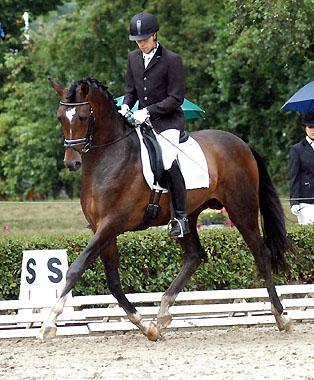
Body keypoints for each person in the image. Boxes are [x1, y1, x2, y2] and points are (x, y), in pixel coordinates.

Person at [119, 12, 190, 238]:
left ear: (155, 35)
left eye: (145, 39)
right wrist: (125, 106)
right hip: (141, 121)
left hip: (168, 122)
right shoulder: (133, 58)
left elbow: (176, 98)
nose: (141, 43)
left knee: (167, 159)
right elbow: (130, 91)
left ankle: (180, 217)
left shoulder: (172, 60)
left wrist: (147, 111)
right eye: (137, 40)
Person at [289, 109, 314, 224]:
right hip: (306, 200)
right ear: (305, 128)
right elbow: (294, 177)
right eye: (310, 127)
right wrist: (294, 201)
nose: (313, 130)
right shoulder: (297, 149)